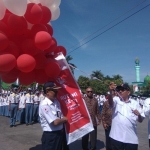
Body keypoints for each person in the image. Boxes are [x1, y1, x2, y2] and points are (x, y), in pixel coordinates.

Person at [108, 82, 145, 150]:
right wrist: (110, 91)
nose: (120, 91)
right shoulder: (116, 100)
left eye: (123, 89)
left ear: (128, 92)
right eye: (119, 90)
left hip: (131, 139)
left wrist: (139, 115)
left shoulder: (135, 103)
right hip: (116, 137)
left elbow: (140, 120)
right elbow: (110, 103)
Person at [39, 81, 68, 150]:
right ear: (47, 91)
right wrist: (64, 119)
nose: (56, 92)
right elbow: (55, 122)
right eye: (54, 91)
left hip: (59, 134)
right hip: (51, 136)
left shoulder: (56, 102)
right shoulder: (44, 105)